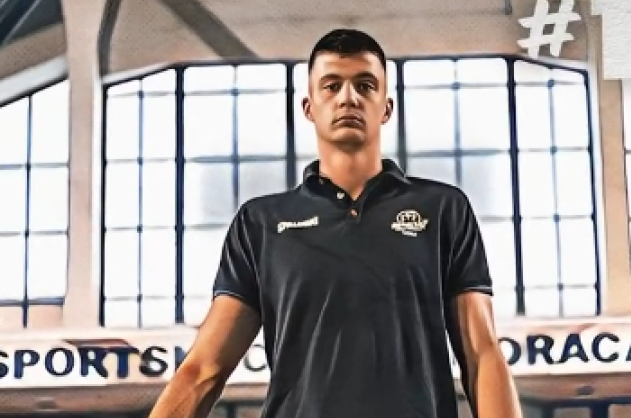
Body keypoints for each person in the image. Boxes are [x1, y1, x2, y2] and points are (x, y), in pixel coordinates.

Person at [147, 28, 522, 418]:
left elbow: (482, 353)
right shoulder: (260, 224)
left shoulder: (443, 209)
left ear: (386, 108)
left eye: (365, 85)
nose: (348, 98)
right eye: (331, 86)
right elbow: (203, 369)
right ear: (309, 107)